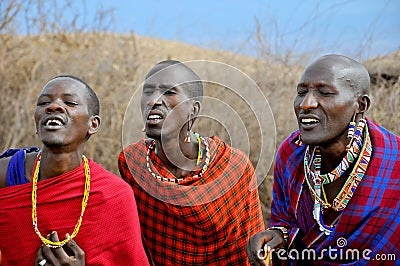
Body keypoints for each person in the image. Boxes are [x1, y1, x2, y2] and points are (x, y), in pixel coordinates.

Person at [246, 54, 400, 265]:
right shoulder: (291, 153)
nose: (305, 104)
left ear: (361, 105)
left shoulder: (394, 162)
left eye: (325, 93)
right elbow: (285, 221)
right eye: (301, 93)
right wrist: (278, 236)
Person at [118, 60, 265, 265]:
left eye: (169, 92)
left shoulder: (233, 166)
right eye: (148, 92)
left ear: (193, 109)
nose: (153, 101)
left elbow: (252, 245)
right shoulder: (133, 163)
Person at [0, 76, 149, 266]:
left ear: (92, 125)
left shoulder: (113, 195)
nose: (53, 107)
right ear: (36, 122)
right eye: (44, 103)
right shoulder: (8, 174)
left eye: (70, 102)